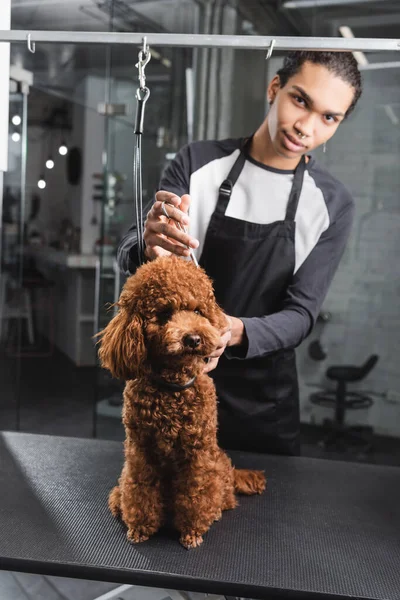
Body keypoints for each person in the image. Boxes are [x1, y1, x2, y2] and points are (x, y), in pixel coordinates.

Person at [117, 51, 363, 457]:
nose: (306, 127)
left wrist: (232, 331)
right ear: (275, 88)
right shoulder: (198, 163)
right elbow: (132, 253)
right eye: (300, 100)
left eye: (328, 117)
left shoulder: (332, 202)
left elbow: (302, 314)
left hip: (262, 406)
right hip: (173, 385)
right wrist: (146, 243)